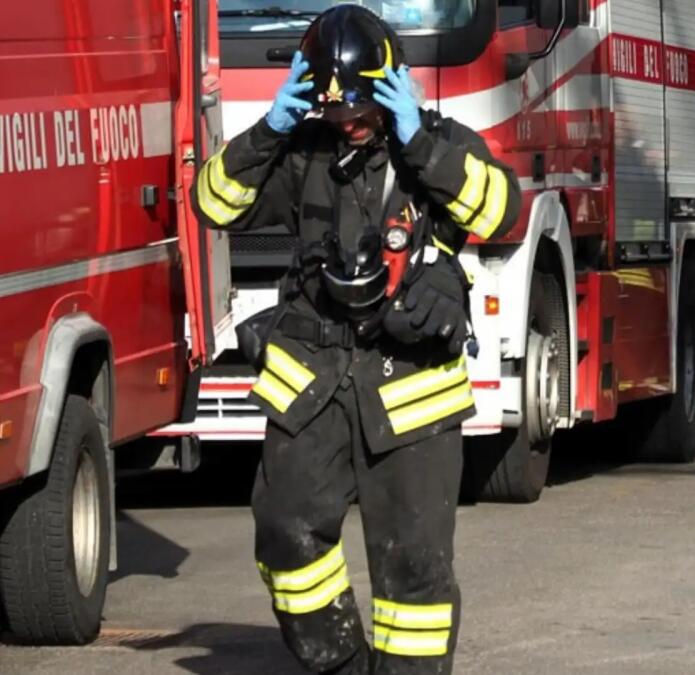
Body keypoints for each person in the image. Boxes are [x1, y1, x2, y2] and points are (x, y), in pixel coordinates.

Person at [191, 6, 519, 673]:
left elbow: (502, 212)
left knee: (414, 577)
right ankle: (340, 663)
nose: (350, 124)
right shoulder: (300, 155)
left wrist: (419, 143)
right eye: (337, 113)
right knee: (285, 536)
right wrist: (269, 130)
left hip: (411, 391)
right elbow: (212, 202)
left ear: (391, 89)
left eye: (364, 111)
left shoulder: (439, 144)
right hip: (312, 383)